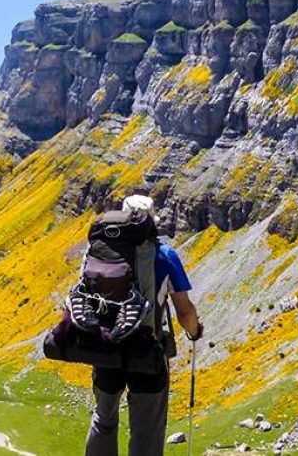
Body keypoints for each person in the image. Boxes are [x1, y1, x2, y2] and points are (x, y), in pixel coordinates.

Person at [85, 195, 204, 456]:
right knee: (146, 430)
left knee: (103, 419)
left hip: (106, 348)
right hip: (147, 349)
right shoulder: (164, 256)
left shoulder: (101, 251)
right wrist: (195, 331)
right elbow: (184, 312)